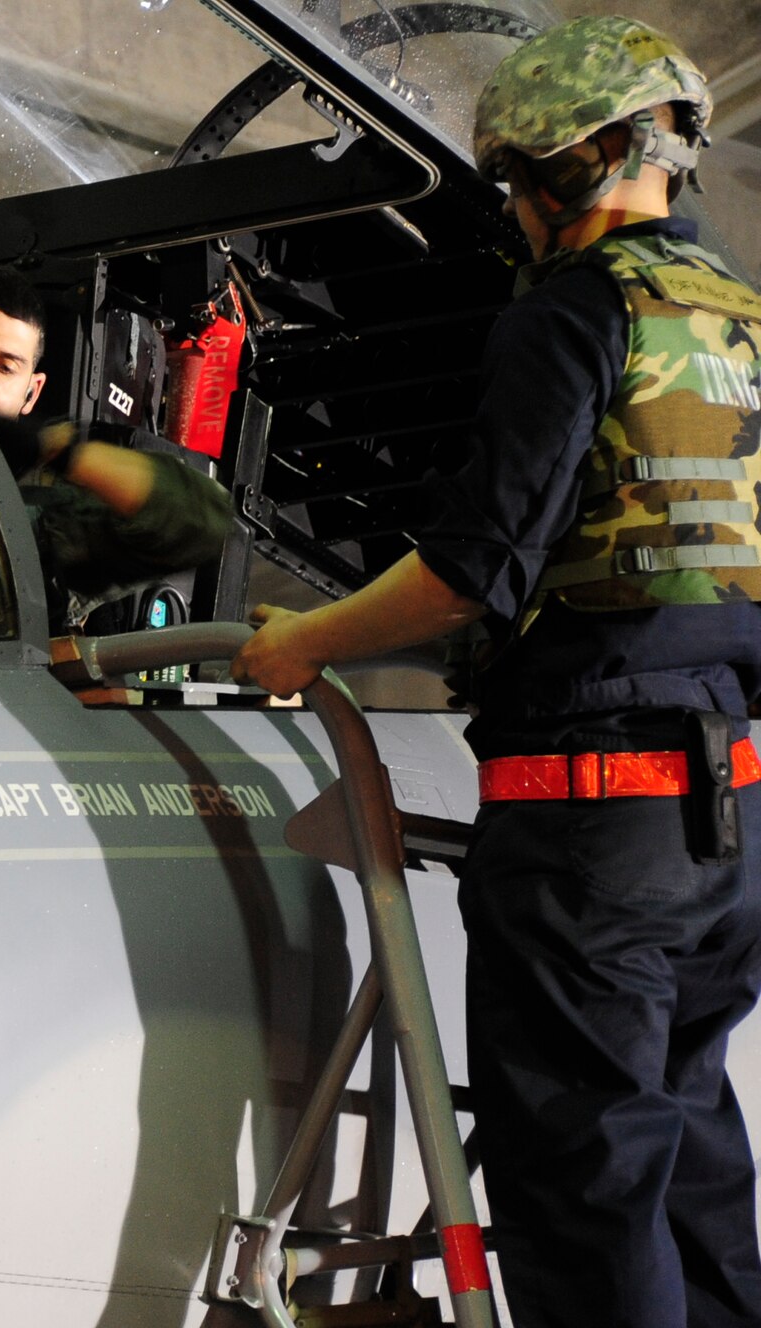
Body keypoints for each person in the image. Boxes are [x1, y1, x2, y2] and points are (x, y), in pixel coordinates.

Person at [230, 17, 761, 1326]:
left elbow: (473, 570)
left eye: (517, 177)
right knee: (690, 1168)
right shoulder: (742, 315)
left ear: (570, 164)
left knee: (580, 1189)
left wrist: (300, 640)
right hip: (730, 821)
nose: (514, 209)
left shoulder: (578, 312)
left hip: (595, 823)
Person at [0, 265, 232, 625]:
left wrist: (55, 449)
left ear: (31, 393)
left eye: (5, 368)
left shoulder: (31, 527)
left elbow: (201, 519)